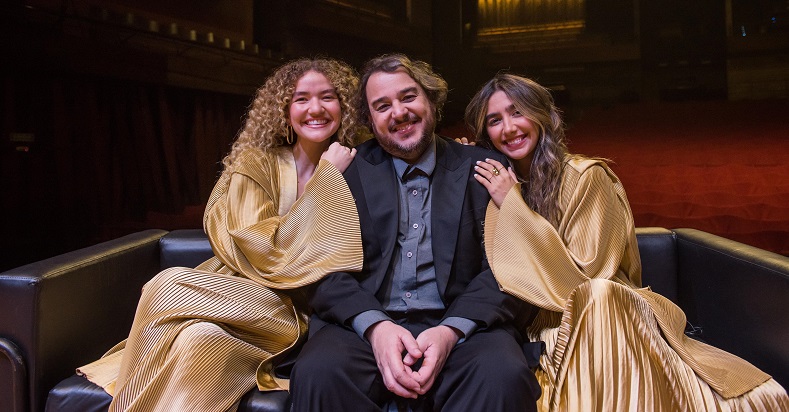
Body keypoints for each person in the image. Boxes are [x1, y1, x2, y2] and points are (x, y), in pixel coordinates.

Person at [463, 73, 789, 411]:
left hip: (608, 317)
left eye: (518, 112)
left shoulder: (586, 176)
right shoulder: (497, 183)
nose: (509, 128)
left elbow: (585, 282)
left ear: (541, 114)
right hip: (541, 329)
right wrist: (462, 164)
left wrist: (512, 203)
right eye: (495, 120)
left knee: (598, 296)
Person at [76, 57, 370, 412]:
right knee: (199, 339)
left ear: (345, 106)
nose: (316, 109)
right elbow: (265, 250)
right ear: (283, 109)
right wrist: (328, 176)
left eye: (328, 97)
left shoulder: (360, 164)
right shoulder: (257, 163)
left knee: (165, 285)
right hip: (240, 296)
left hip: (296, 313)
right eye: (301, 99)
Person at [289, 54, 541, 412]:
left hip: (463, 324)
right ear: (369, 119)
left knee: (502, 374)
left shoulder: (485, 168)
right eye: (382, 106)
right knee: (319, 371)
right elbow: (320, 267)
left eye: (408, 97)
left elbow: (509, 265)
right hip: (363, 325)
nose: (399, 112)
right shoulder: (343, 172)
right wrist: (376, 327)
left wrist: (451, 330)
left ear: (431, 100)